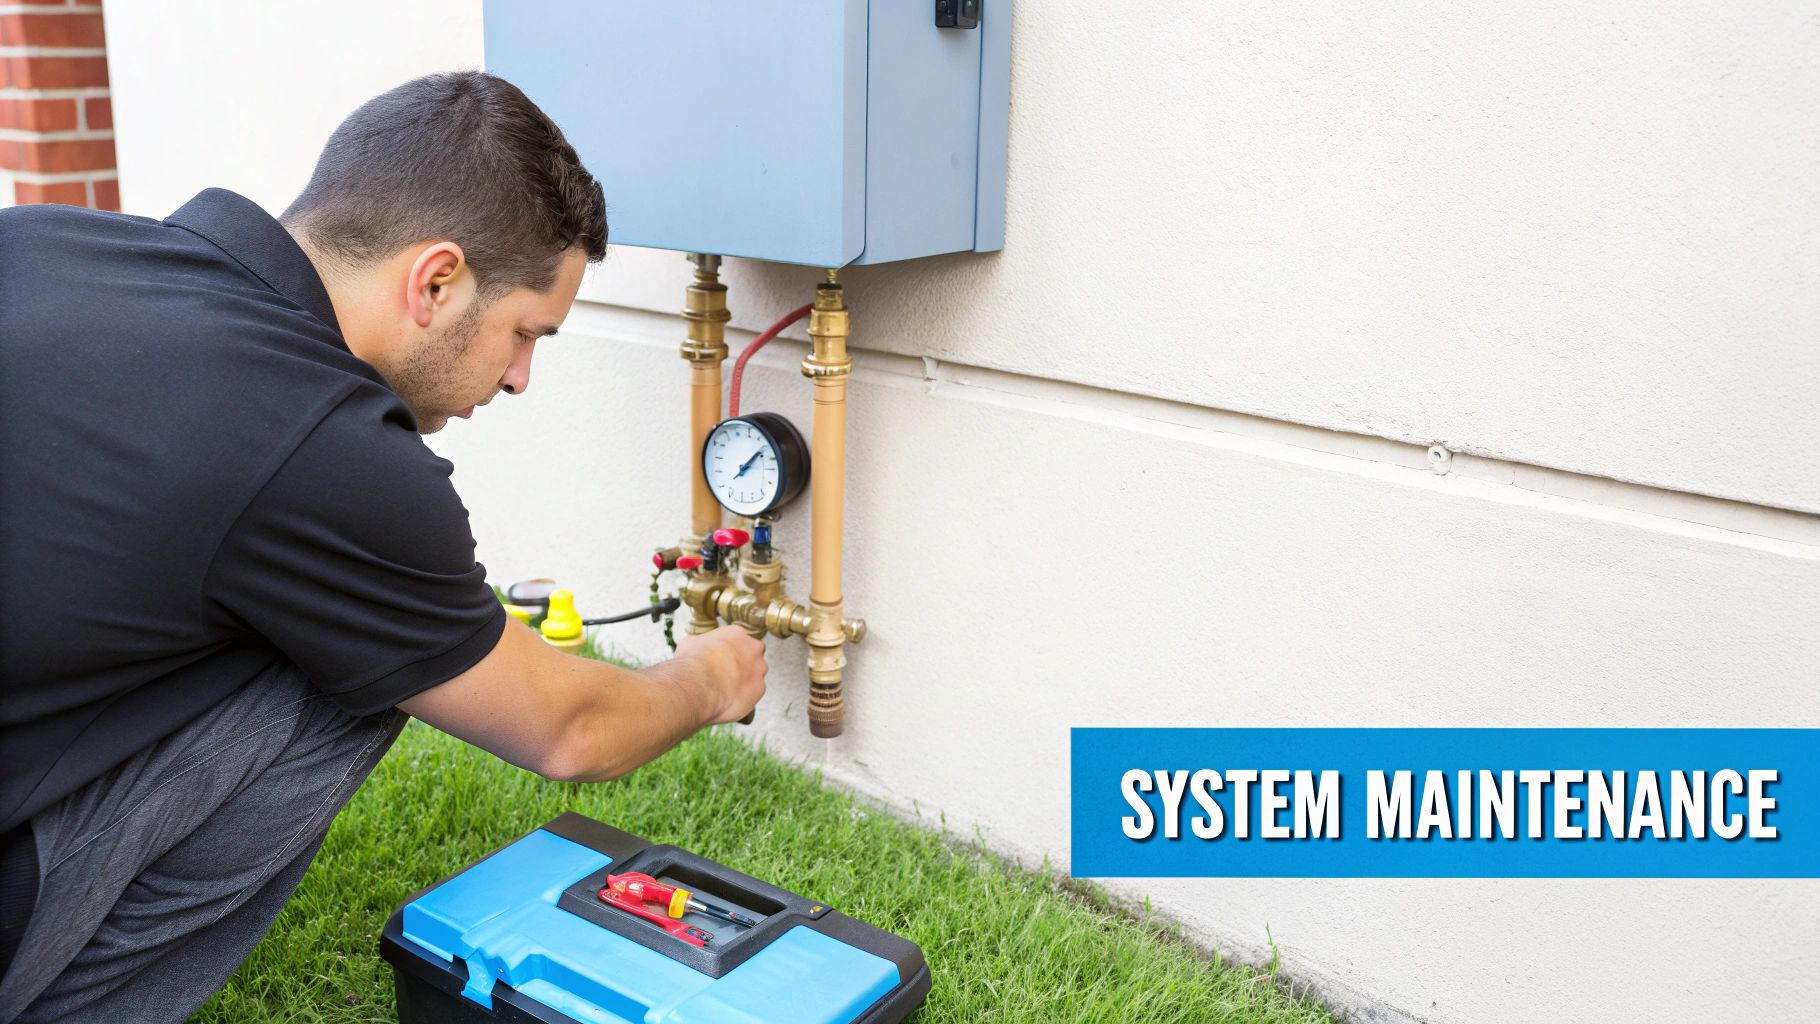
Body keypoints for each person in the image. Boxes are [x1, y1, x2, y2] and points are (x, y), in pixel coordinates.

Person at [0, 71, 767, 1022]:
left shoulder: (44, 239)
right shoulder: (323, 441)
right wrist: (708, 678)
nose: (522, 378)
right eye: (525, 333)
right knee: (357, 678)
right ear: (436, 280)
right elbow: (568, 730)